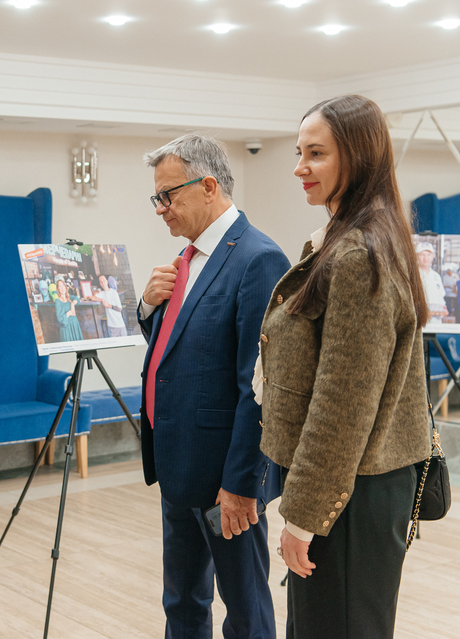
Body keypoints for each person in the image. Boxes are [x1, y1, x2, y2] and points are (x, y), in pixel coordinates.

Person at [257, 95, 431, 639]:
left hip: (350, 491)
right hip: (351, 484)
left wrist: (304, 516)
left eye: (315, 154)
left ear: (356, 158)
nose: (298, 167)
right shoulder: (357, 238)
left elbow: (343, 403)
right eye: (298, 152)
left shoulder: (360, 253)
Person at [139, 133, 290, 639]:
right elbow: (178, 352)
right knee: (182, 602)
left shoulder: (258, 258)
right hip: (178, 465)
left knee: (245, 610)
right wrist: (148, 310)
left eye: (168, 195)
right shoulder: (186, 259)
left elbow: (261, 386)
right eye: (156, 197)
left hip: (227, 478)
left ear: (208, 186)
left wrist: (243, 485)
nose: (160, 208)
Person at [417, 242, 448, 322]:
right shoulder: (414, 276)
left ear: (433, 256)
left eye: (428, 254)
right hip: (421, 321)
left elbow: (441, 297)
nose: (425, 258)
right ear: (416, 256)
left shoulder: (436, 276)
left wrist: (443, 307)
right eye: (422, 255)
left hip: (436, 320)